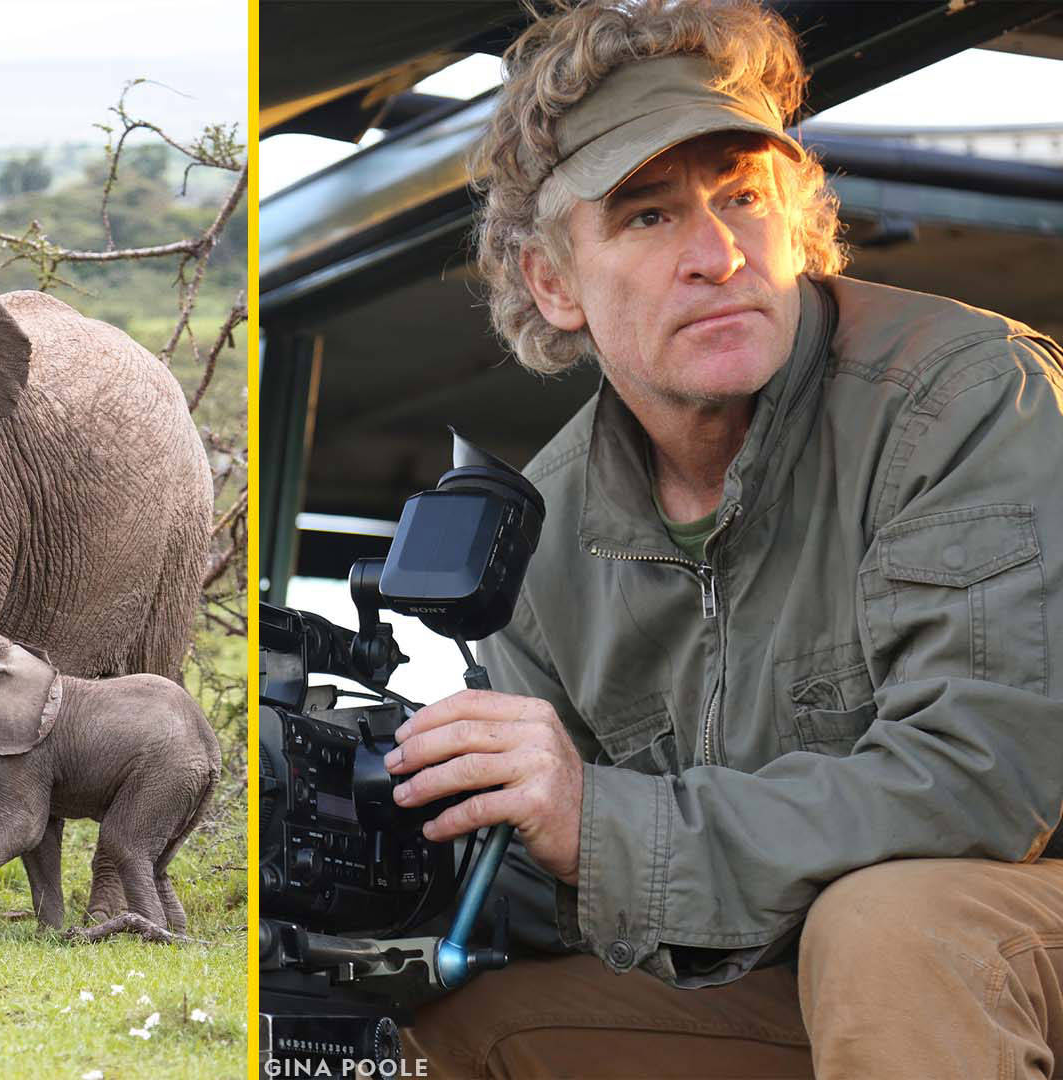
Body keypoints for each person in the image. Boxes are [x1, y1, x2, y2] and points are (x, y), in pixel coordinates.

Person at [379, 1, 1063, 1076]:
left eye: (744, 198)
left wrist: (599, 821)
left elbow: (983, 785)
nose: (715, 253)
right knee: (443, 1025)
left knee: (886, 925)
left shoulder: (966, 396)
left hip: (1008, 923)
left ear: (796, 225)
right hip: (797, 985)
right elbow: (591, 884)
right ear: (553, 283)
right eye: (648, 217)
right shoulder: (536, 540)